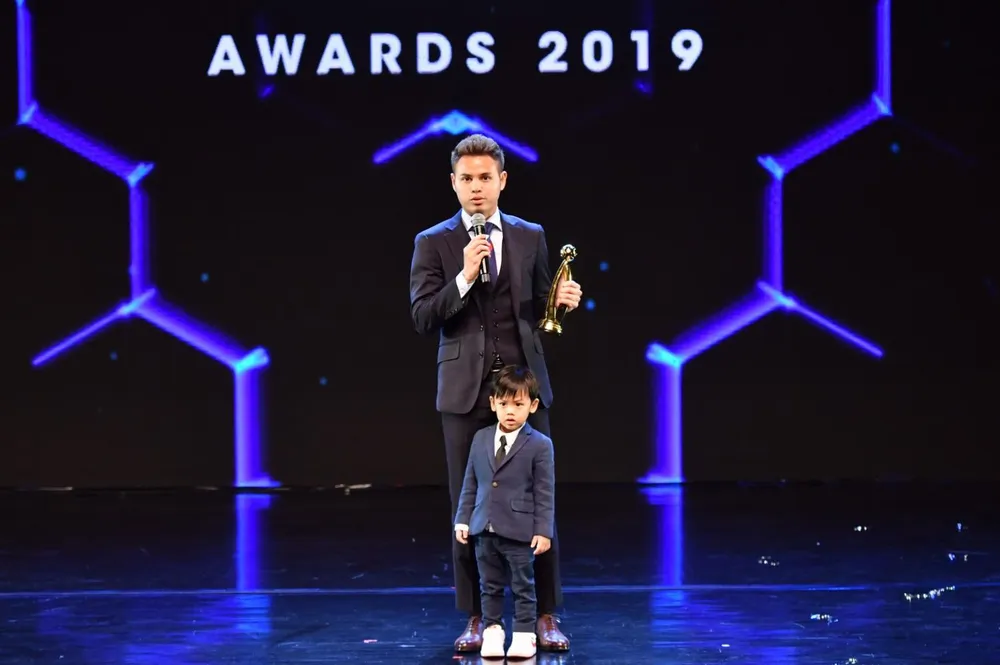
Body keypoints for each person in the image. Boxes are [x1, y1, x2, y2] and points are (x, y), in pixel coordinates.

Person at [409, 133, 582, 652]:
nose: (476, 187)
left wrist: (562, 300)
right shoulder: (433, 242)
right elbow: (423, 316)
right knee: (468, 507)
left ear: (502, 180)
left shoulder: (530, 235)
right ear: (453, 183)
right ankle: (477, 618)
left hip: (524, 388)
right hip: (465, 390)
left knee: (537, 497)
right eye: (467, 179)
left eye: (485, 177)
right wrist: (464, 276)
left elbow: (543, 306)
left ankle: (545, 615)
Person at [454, 366, 554, 659]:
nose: (510, 411)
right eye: (504, 403)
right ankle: (493, 631)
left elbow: (544, 492)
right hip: (483, 528)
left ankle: (524, 634)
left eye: (518, 404)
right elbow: (471, 482)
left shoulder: (540, 445)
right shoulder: (481, 438)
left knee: (523, 585)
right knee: (489, 585)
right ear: (493, 403)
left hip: (520, 530)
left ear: (532, 406)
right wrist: (463, 518)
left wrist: (543, 530)